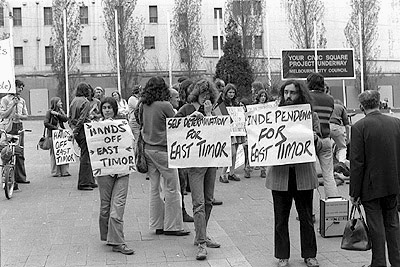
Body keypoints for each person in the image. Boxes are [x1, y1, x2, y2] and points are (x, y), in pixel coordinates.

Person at [265, 80, 320, 267]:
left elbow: (319, 144)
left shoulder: (310, 116)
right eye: (285, 93)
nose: (288, 96)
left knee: (306, 217)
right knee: (280, 218)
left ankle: (309, 255)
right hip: (280, 176)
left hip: (303, 174)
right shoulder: (273, 116)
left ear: (300, 95)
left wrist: (314, 138)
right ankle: (282, 256)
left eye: (292, 93)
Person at [350, 90, 400, 267]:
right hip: (393, 183)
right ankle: (397, 261)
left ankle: (378, 263)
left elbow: (357, 163)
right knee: (393, 224)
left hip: (370, 187)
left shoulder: (359, 127)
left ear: (362, 106)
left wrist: (354, 193)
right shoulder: (396, 123)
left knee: (376, 228)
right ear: (379, 103)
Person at [175, 79, 221, 260]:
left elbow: (223, 129)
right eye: (202, 95)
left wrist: (209, 115)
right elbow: (173, 126)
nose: (206, 99)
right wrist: (190, 118)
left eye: (208, 96)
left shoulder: (215, 108)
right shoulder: (187, 108)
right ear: (196, 94)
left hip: (211, 161)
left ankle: (202, 233)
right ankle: (201, 243)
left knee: (208, 200)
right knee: (198, 203)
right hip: (195, 164)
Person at [140, 76, 189, 236]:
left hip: (148, 149)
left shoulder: (143, 105)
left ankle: (157, 224)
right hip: (163, 150)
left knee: (155, 189)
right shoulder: (165, 105)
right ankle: (173, 226)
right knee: (172, 188)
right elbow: (176, 125)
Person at [96, 97, 134, 255]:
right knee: (105, 206)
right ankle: (107, 235)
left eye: (109, 107)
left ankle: (117, 242)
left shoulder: (123, 125)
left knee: (117, 206)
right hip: (105, 172)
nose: (107, 110)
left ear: (115, 109)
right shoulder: (96, 127)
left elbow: (131, 142)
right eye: (104, 107)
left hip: (122, 170)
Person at [307, 73, 338, 198]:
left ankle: (310, 212)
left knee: (310, 176)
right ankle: (333, 206)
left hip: (311, 139)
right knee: (328, 175)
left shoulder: (307, 99)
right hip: (326, 139)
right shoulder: (330, 99)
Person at [169, 88, 194, 223]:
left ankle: (179, 212)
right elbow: (175, 126)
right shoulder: (170, 110)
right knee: (178, 182)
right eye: (176, 97)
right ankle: (179, 212)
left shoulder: (174, 110)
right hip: (175, 152)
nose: (178, 100)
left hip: (177, 150)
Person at [0, 79, 30, 189]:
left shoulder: (22, 100)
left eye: (22, 87)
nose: (21, 89)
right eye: (19, 87)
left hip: (18, 127)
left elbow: (26, 115)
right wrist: (13, 105)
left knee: (19, 152)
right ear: (14, 87)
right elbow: (3, 114)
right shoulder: (5, 100)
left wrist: (20, 116)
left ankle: (20, 177)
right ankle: (6, 178)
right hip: (7, 127)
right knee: (6, 152)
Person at [214, 83, 245, 183]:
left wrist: (243, 109)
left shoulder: (236, 103)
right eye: (229, 92)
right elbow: (217, 112)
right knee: (231, 152)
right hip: (228, 130)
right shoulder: (221, 103)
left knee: (235, 152)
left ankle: (231, 173)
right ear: (226, 92)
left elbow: (241, 113)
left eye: (233, 92)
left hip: (236, 129)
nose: (231, 94)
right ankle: (223, 174)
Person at [69, 82, 97, 191]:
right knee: (86, 156)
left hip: (77, 131)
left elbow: (70, 118)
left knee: (86, 155)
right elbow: (82, 118)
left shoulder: (74, 101)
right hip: (83, 130)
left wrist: (73, 130)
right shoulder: (86, 102)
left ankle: (89, 180)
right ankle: (84, 182)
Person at [44, 97, 70, 177]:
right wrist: (56, 128)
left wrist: (58, 114)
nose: (61, 103)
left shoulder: (60, 111)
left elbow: (65, 119)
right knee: (54, 154)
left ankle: (65, 171)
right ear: (55, 103)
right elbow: (46, 123)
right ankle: (55, 172)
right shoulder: (49, 112)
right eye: (60, 102)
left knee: (64, 152)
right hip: (53, 135)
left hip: (61, 135)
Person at [329, 99, 350, 168]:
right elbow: (347, 125)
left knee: (327, 149)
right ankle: (342, 163)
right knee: (342, 147)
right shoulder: (341, 108)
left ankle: (331, 166)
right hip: (336, 127)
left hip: (325, 127)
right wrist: (348, 138)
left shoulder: (328, 106)